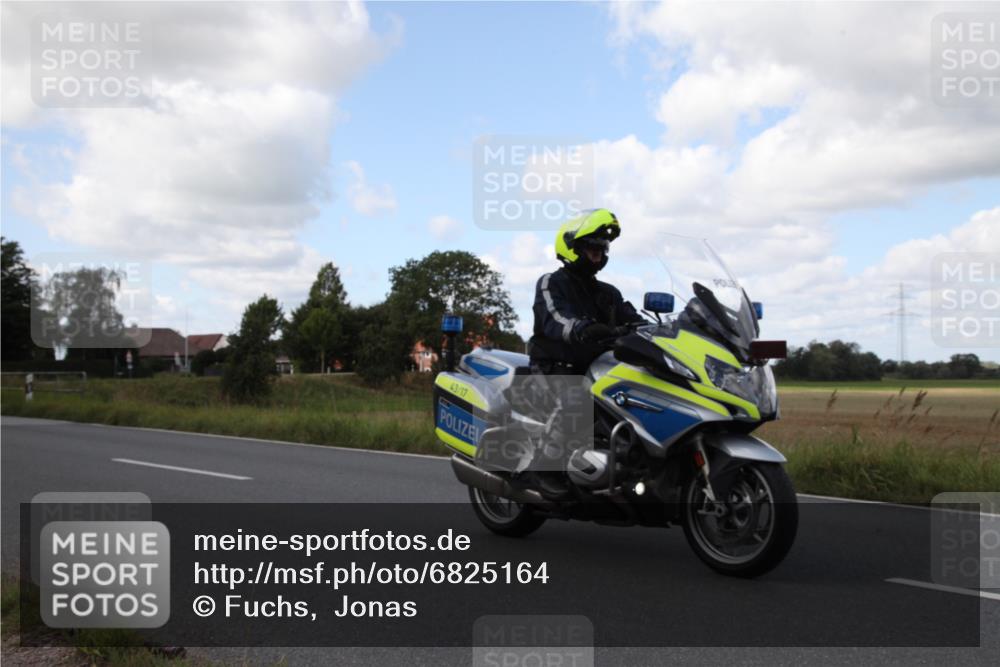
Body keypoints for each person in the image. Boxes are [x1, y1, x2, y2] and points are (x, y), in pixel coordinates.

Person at [522, 208, 643, 498]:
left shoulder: (608, 292)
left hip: (598, 366)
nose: (598, 251)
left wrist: (663, 332)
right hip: (556, 366)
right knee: (579, 396)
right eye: (592, 245)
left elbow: (634, 320)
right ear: (573, 246)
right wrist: (582, 329)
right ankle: (545, 467)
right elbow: (555, 318)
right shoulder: (551, 282)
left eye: (603, 246)